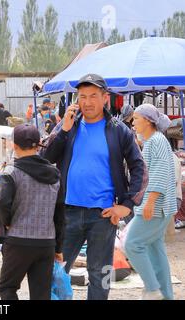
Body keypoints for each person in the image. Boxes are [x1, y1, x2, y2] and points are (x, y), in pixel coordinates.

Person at [43, 74, 147, 300]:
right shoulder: (68, 124)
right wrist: (64, 130)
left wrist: (127, 205)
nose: (87, 102)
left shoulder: (118, 130)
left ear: (105, 98)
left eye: (93, 96)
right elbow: (46, 156)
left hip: (103, 215)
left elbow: (139, 167)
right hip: (66, 213)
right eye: (82, 97)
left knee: (101, 275)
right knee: (53, 272)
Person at [0, 124, 64, 300]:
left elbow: (2, 203)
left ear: (14, 145)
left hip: (19, 241)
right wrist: (59, 246)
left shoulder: (11, 172)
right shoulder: (55, 174)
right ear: (38, 144)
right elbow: (60, 213)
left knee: (7, 288)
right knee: (41, 294)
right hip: (46, 243)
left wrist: (8, 222)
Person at [122, 104, 176, 300]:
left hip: (156, 205)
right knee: (155, 250)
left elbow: (159, 173)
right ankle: (165, 295)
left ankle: (153, 289)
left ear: (147, 120)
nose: (132, 122)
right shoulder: (155, 140)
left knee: (132, 244)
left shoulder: (156, 141)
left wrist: (150, 202)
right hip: (160, 205)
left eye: (136, 119)